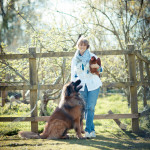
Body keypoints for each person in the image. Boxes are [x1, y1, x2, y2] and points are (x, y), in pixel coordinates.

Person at [71, 37, 103, 138]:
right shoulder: (75, 59)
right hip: (81, 86)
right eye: (80, 45)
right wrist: (73, 85)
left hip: (93, 84)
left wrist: (98, 68)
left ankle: (88, 130)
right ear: (78, 46)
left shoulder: (92, 56)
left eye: (84, 45)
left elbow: (101, 69)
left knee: (91, 107)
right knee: (85, 109)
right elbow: (73, 73)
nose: (82, 47)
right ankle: (91, 130)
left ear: (87, 46)